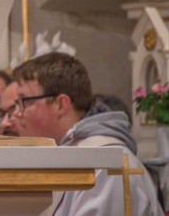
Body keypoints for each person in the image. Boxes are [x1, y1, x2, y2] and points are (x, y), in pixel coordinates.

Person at [12, 53, 161, 215]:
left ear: (60, 104)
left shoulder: (105, 164)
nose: (16, 113)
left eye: (24, 101)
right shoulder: (68, 154)